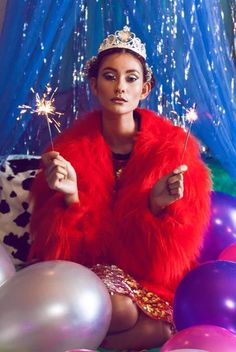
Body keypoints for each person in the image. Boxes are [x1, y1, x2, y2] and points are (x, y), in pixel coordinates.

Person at [28, 26, 211, 350]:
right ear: (94, 84)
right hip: (88, 276)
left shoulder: (174, 153)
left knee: (132, 315)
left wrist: (154, 207)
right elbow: (53, 252)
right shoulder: (67, 151)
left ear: (145, 87)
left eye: (131, 78)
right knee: (123, 313)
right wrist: (71, 199)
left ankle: (80, 336)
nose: (120, 88)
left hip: (149, 279)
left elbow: (174, 256)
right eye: (110, 76)